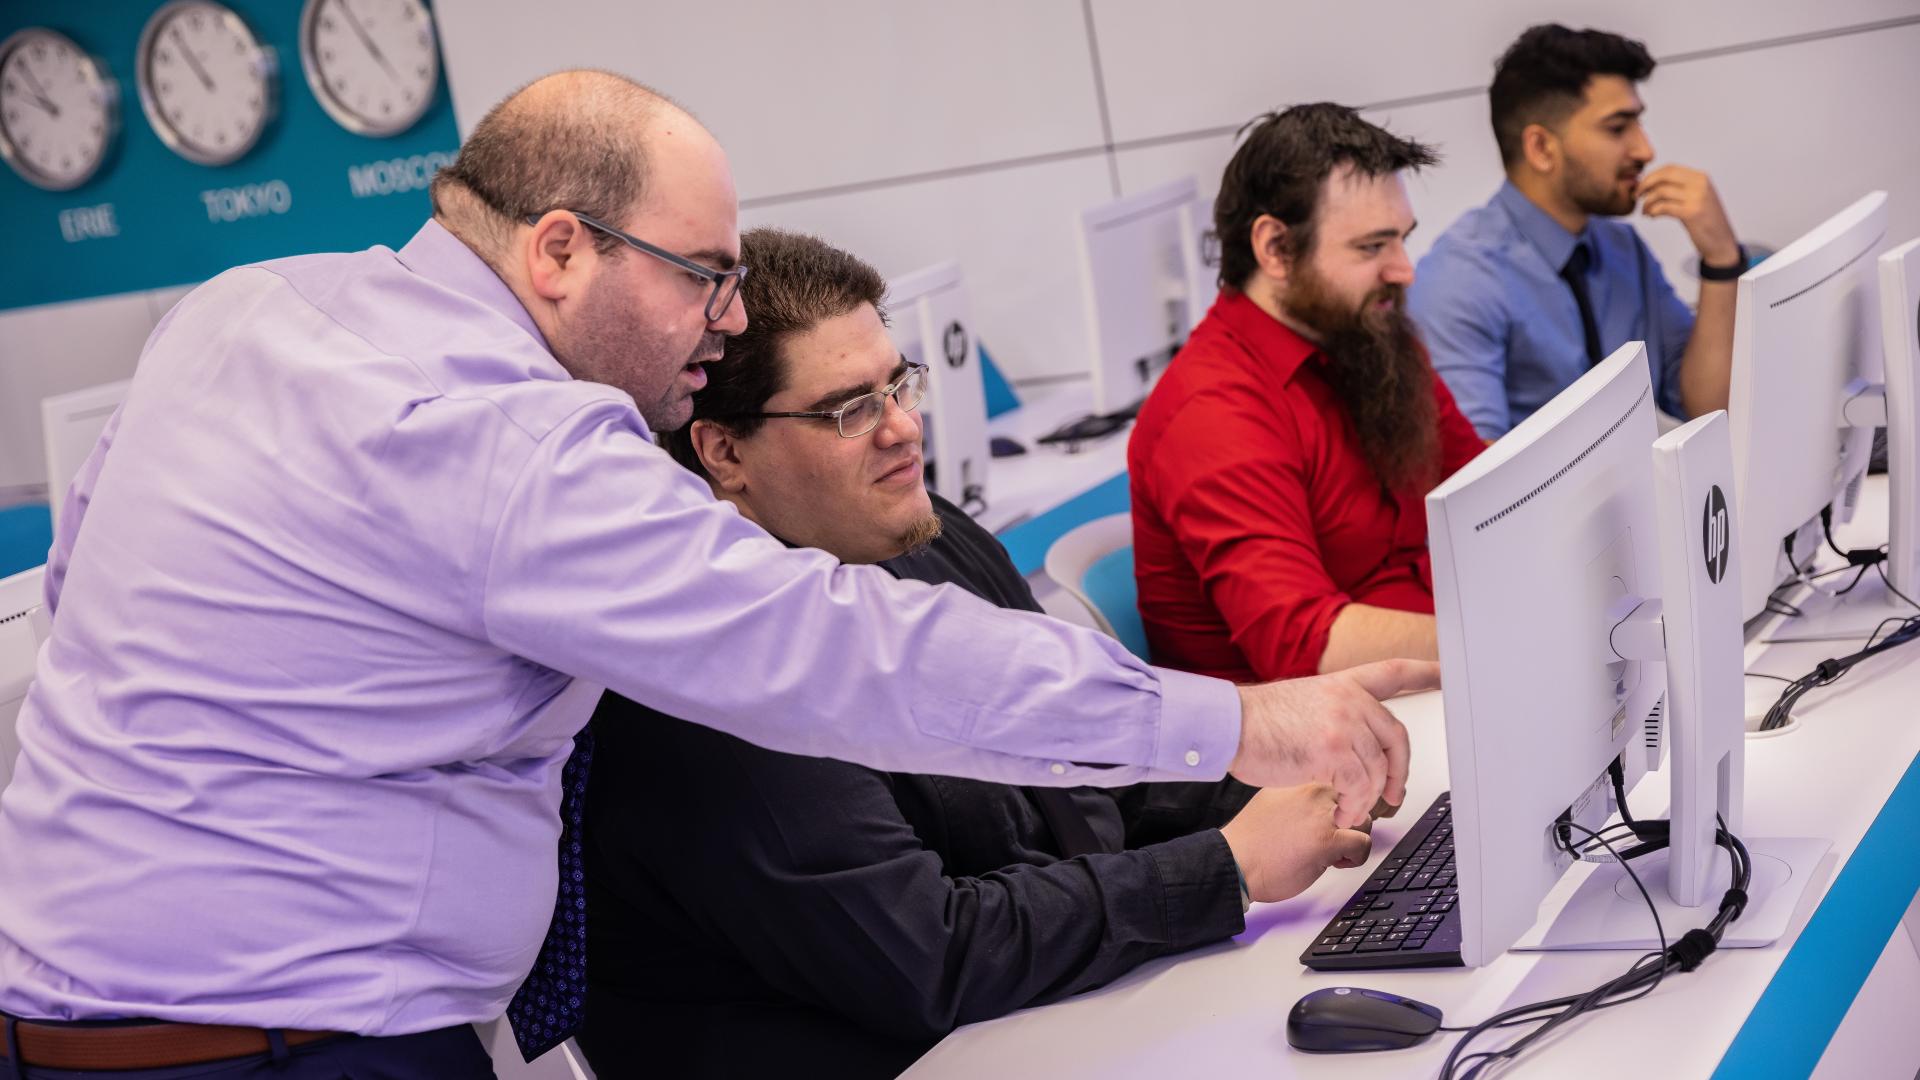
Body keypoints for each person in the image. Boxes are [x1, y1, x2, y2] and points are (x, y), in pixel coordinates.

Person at [0, 72, 1432, 1077]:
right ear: (559, 250)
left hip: (94, 1019)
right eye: (703, 275)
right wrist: (1241, 721)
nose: (727, 320)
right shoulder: (515, 444)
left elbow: (80, 594)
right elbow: (841, 656)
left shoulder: (249, 309)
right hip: (285, 1046)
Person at [576, 228, 1378, 1078]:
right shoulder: (709, 680)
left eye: (899, 385)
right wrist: (1227, 869)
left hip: (1043, 1021)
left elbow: (1096, 770)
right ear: (725, 453)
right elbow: (934, 955)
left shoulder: (923, 532)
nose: (903, 429)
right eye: (850, 410)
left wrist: (1292, 778)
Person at [1130, 104, 1486, 685]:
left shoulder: (1370, 336)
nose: (1404, 270)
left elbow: (1482, 489)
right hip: (1302, 750)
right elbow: (1306, 647)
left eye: (1402, 241)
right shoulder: (1214, 408)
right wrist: (1511, 635)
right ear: (1275, 248)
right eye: (1372, 248)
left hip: (1422, 691)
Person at [1409, 23, 1742, 438]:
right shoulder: (1458, 283)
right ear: (1542, 149)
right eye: (1618, 128)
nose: (1645, 150)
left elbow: (1710, 407)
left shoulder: (1621, 248)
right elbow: (1473, 485)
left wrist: (1721, 260)